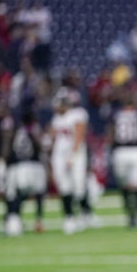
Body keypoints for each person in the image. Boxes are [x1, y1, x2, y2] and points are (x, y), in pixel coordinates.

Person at [0, 110, 47, 235]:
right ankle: (38, 220)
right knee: (38, 194)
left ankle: (13, 219)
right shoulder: (33, 130)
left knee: (16, 194)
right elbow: (40, 148)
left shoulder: (15, 131)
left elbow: (7, 150)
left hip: (18, 166)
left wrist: (5, 164)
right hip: (34, 165)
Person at [49, 87, 91, 234]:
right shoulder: (56, 118)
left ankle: (85, 214)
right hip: (59, 156)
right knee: (64, 187)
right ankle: (69, 217)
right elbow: (53, 138)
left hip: (76, 154)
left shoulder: (78, 114)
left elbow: (79, 135)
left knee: (79, 186)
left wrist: (73, 155)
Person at [109, 95, 137, 228]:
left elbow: (111, 133)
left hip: (120, 151)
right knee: (136, 185)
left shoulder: (116, 115)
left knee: (124, 185)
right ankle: (135, 215)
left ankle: (129, 213)